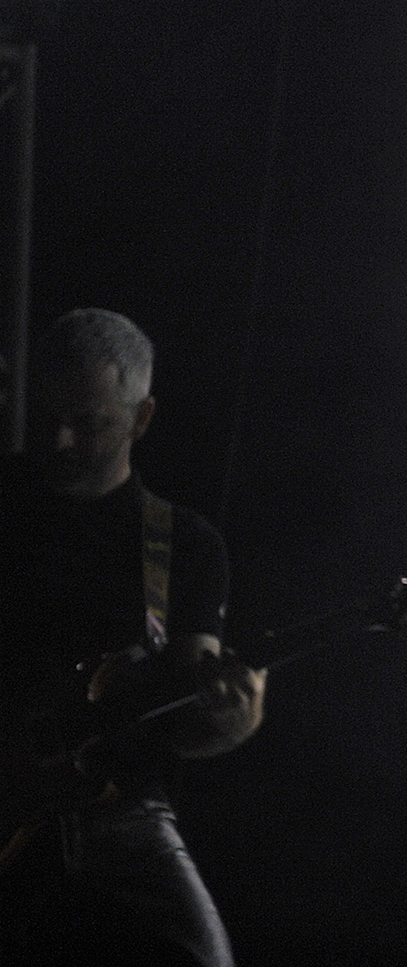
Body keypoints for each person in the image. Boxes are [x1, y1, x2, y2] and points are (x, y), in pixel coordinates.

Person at [0, 308, 265, 966]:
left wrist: (230, 721)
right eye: (48, 415)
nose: (60, 439)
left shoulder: (184, 544)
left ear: (141, 418)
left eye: (88, 422)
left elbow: (190, 710)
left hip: (118, 821)